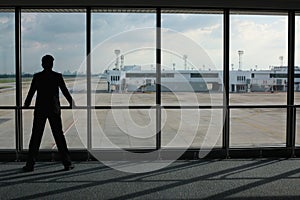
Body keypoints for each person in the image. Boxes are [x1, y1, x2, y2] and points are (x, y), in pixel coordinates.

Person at [23, 54, 75, 172]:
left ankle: (30, 164)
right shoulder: (57, 76)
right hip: (54, 109)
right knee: (59, 136)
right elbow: (65, 91)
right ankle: (67, 163)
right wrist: (72, 103)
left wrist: (26, 104)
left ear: (42, 64)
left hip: (40, 109)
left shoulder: (37, 77)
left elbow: (31, 92)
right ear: (52, 64)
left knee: (36, 136)